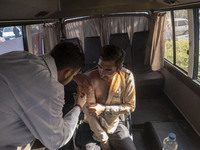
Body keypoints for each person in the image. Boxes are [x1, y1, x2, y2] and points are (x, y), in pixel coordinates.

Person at [0, 42, 90, 150]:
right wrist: (78, 106)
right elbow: (57, 140)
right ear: (67, 72)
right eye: (74, 75)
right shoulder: (51, 88)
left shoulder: (19, 56)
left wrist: (74, 75)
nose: (73, 78)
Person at [76, 45, 137, 150]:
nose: (102, 73)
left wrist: (105, 109)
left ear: (119, 68)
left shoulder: (126, 77)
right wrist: (103, 138)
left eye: (108, 70)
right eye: (100, 67)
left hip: (114, 123)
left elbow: (130, 106)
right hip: (91, 126)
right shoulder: (89, 79)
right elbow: (89, 114)